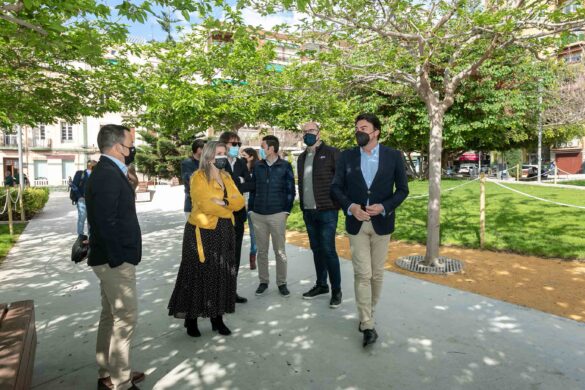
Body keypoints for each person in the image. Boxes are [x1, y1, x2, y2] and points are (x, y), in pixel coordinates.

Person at [331, 113, 409, 348]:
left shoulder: (393, 156)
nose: (359, 131)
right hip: (357, 224)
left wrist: (384, 206)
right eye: (356, 128)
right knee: (362, 274)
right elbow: (336, 188)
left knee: (377, 274)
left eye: (364, 128)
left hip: (382, 223)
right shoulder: (347, 156)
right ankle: (367, 324)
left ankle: (369, 312)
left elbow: (402, 190)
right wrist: (351, 207)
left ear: (376, 132)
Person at [85, 124, 144, 390]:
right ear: (117, 147)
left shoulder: (110, 172)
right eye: (130, 144)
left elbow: (114, 214)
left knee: (110, 316)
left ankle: (108, 373)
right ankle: (120, 381)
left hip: (109, 259)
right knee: (125, 318)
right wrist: (119, 260)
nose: (132, 149)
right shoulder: (107, 174)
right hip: (114, 262)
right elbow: (106, 223)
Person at [168, 141, 245, 337]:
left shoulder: (227, 176)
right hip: (202, 232)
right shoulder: (198, 177)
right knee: (197, 274)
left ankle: (217, 319)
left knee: (221, 274)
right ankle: (191, 319)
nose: (223, 156)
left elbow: (240, 202)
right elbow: (205, 204)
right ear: (209, 156)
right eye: (219, 153)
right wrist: (227, 207)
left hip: (225, 231)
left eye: (224, 153)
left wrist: (225, 202)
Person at [297, 122, 343, 308]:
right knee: (316, 250)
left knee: (329, 250)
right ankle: (321, 285)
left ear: (318, 133)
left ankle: (337, 290)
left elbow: (341, 180)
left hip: (327, 211)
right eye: (305, 131)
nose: (308, 134)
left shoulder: (332, 153)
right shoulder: (301, 158)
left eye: (312, 131)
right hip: (308, 211)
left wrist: (337, 203)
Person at [249, 135, 296, 297]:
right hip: (259, 215)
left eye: (263, 146)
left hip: (277, 215)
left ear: (271, 148)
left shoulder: (285, 166)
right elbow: (253, 188)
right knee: (262, 251)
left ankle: (282, 283)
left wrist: (286, 211)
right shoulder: (257, 166)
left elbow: (291, 190)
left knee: (280, 251)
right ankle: (263, 282)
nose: (261, 149)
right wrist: (251, 210)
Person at [218, 132, 253, 303]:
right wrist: (238, 183)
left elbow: (250, 184)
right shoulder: (218, 162)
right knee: (222, 255)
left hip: (238, 215)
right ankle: (220, 292)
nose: (237, 147)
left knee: (236, 255)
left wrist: (236, 182)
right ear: (223, 144)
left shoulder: (240, 162)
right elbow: (219, 188)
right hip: (222, 216)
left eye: (238, 143)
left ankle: (232, 290)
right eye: (233, 143)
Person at [240, 147, 259, 270]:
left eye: (244, 155)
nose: (241, 157)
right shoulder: (238, 168)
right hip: (238, 206)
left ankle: (253, 257)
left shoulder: (257, 169)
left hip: (252, 206)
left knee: (254, 234)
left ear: (251, 157)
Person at [71, 160, 96, 238]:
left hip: (93, 201)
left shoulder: (96, 175)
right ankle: (80, 236)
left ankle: (91, 236)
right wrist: (79, 196)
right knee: (82, 218)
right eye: (94, 165)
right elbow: (73, 185)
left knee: (91, 219)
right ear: (90, 165)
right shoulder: (80, 173)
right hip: (82, 200)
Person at [181, 139, 205, 219]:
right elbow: (190, 181)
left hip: (207, 204)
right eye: (204, 149)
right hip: (192, 204)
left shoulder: (207, 163)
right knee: (192, 231)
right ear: (199, 150)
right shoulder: (186, 163)